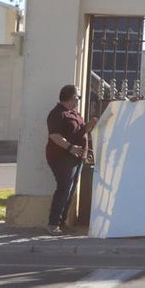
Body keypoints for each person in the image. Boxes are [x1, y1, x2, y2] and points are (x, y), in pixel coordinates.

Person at [45, 84, 96, 235]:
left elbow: (80, 131)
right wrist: (70, 147)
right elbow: (54, 135)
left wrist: (90, 125)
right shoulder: (57, 114)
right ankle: (53, 223)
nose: (79, 99)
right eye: (78, 96)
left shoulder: (73, 113)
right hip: (62, 158)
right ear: (72, 97)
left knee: (70, 189)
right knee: (63, 188)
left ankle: (61, 222)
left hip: (76, 157)